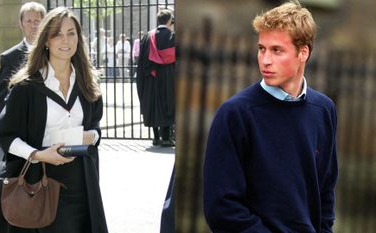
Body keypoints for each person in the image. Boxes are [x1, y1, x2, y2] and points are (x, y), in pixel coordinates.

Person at [203, 2, 338, 232]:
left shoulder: (323, 110)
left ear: (303, 52)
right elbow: (221, 208)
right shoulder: (235, 114)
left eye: (277, 50)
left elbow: (325, 191)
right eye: (261, 48)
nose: (265, 60)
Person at [0, 7, 108, 233]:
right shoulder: (26, 87)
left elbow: (95, 126)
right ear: (46, 39)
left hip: (81, 182)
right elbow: (6, 136)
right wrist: (37, 155)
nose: (65, 40)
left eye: (71, 33)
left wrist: (92, 136)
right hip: (39, 181)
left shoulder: (87, 83)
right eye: (57, 34)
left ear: (79, 37)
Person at [0, 2, 46, 154]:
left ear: (44, 23)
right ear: (21, 24)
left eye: (37, 21)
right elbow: (1, 96)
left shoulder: (55, 52)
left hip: (50, 128)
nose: (33, 25)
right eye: (28, 21)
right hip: (21, 131)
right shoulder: (10, 57)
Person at [136, 9, 175, 147]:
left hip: (151, 78)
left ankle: (156, 137)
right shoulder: (172, 36)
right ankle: (166, 138)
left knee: (153, 106)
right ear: (170, 20)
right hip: (167, 78)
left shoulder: (147, 37)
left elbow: (141, 61)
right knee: (167, 104)